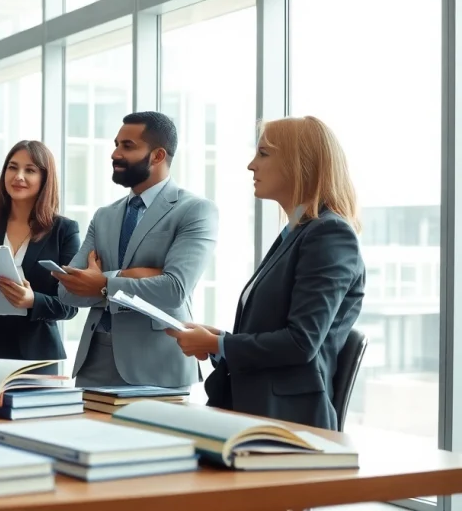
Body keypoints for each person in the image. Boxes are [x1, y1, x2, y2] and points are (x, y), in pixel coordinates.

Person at [167, 116, 365, 430]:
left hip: (289, 422)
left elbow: (301, 342)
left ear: (299, 163)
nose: (251, 165)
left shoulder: (330, 234)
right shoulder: (296, 233)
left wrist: (218, 345)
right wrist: (218, 341)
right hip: (254, 411)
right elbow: (275, 330)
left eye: (263, 153)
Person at [54, 111, 218, 389]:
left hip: (157, 364)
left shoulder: (195, 210)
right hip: (94, 362)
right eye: (116, 144)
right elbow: (67, 290)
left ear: (158, 155)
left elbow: (174, 290)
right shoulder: (104, 216)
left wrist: (104, 283)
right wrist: (132, 275)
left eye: (127, 146)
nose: (115, 154)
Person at [0, 140, 80, 373]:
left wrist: (33, 300)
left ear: (45, 178)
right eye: (12, 167)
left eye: (29, 170)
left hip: (36, 355)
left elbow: (71, 304)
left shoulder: (64, 231)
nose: (18, 176)